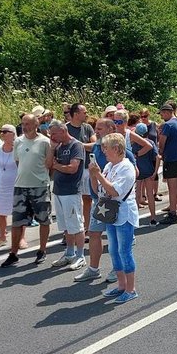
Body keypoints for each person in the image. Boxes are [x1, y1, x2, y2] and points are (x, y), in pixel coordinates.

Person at [89, 133, 140, 304]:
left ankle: (131, 289)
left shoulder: (126, 167)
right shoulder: (110, 166)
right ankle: (121, 285)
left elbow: (114, 191)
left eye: (106, 147)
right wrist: (93, 175)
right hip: (110, 212)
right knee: (113, 249)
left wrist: (99, 175)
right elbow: (98, 191)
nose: (103, 151)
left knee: (124, 251)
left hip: (123, 213)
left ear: (116, 149)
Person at [0, 114, 52, 268]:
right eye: (23, 123)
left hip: (40, 186)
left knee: (44, 219)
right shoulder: (18, 141)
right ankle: (13, 253)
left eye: (28, 123)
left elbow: (49, 163)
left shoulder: (44, 141)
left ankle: (42, 250)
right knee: (17, 221)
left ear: (36, 124)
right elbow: (17, 161)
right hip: (21, 186)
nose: (25, 126)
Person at [46, 120, 87, 271]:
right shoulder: (58, 146)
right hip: (58, 190)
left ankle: (81, 255)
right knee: (65, 226)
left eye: (54, 133)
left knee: (76, 225)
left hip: (71, 191)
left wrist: (57, 166)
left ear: (63, 131)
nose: (52, 136)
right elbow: (48, 165)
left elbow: (72, 168)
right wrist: (51, 149)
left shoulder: (76, 145)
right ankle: (70, 252)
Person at [65, 103, 95, 232]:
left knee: (87, 199)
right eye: (84, 112)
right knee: (72, 200)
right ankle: (70, 231)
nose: (86, 114)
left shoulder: (87, 128)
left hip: (86, 168)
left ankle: (87, 227)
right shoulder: (64, 128)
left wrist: (78, 145)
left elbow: (94, 144)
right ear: (76, 114)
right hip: (71, 169)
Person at [158, 102, 177, 224]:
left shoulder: (167, 125)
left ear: (167, 112)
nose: (162, 116)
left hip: (171, 158)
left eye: (162, 114)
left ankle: (172, 214)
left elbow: (162, 142)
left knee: (172, 187)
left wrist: (161, 152)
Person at [0, 124, 18, 251]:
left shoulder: (18, 147)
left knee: (18, 212)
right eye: (1, 131)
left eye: (5, 131)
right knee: (1, 212)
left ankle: (20, 238)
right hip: (2, 183)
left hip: (16, 183)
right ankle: (2, 236)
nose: (2, 134)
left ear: (12, 133)